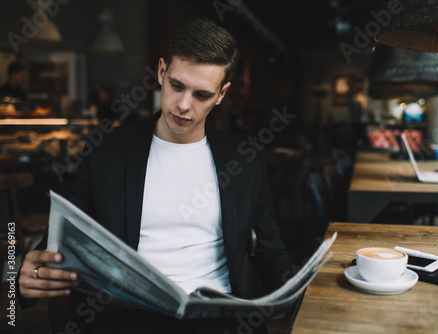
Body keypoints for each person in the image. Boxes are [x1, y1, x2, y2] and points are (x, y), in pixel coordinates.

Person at [17, 20, 293, 333]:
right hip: (127, 314)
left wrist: (297, 297)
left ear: (221, 94)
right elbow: (67, 231)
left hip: (220, 316)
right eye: (177, 86)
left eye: (201, 95)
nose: (184, 106)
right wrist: (23, 276)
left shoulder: (244, 159)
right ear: (161, 72)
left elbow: (270, 249)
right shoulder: (106, 150)